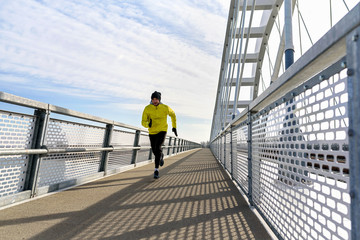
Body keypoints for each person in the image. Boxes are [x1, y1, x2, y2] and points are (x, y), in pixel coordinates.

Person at [142, 91, 177, 179]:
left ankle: (156, 170)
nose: (154, 101)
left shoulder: (165, 108)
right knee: (154, 150)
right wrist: (147, 124)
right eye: (153, 99)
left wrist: (174, 127)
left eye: (156, 99)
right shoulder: (147, 108)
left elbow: (173, 115)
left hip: (162, 130)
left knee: (157, 147)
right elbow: (143, 121)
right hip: (152, 132)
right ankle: (161, 156)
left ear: (159, 99)